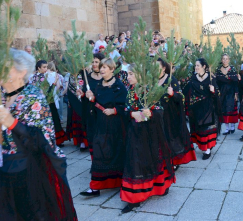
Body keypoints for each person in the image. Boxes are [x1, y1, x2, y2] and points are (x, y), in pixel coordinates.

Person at [0, 49, 77, 220]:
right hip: (1, 172)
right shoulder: (1, 97)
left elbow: (42, 141)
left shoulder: (33, 97)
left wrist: (13, 123)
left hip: (26, 173)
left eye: (6, 68)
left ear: (22, 72)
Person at [121, 65, 175, 214]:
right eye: (128, 74)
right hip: (135, 133)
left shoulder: (151, 91)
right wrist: (133, 114)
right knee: (135, 162)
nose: (128, 77)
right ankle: (135, 197)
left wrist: (149, 114)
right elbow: (125, 110)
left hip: (151, 133)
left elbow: (160, 110)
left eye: (131, 74)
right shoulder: (130, 91)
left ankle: (160, 186)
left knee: (154, 159)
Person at [78, 58, 127, 197]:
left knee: (116, 153)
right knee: (99, 152)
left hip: (115, 126)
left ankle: (119, 182)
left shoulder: (119, 86)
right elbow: (95, 104)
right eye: (101, 67)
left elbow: (126, 106)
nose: (102, 69)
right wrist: (91, 98)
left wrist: (115, 110)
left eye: (105, 67)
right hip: (100, 124)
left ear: (112, 69)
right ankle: (95, 187)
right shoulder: (98, 85)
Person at [157, 58, 197, 168]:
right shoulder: (152, 80)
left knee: (170, 137)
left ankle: (173, 160)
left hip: (170, 114)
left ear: (164, 68)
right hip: (157, 114)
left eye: (157, 66)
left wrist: (172, 94)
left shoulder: (171, 79)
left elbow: (181, 96)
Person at [183, 58, 221, 160]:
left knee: (206, 127)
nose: (196, 67)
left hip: (208, 106)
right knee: (198, 128)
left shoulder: (211, 78)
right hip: (195, 108)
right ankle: (204, 147)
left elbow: (218, 92)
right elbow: (185, 90)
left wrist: (213, 91)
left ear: (204, 66)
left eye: (198, 66)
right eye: (195, 66)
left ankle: (207, 150)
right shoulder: (192, 78)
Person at [31, 60, 68, 147]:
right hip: (46, 102)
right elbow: (46, 91)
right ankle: (54, 140)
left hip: (47, 101)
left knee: (54, 120)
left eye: (46, 67)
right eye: (44, 67)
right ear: (38, 68)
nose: (45, 69)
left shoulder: (38, 76)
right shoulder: (39, 77)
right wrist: (54, 83)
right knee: (52, 121)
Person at [76, 53, 105, 154]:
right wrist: (82, 94)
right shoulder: (87, 78)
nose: (94, 64)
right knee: (92, 138)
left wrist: (94, 97)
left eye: (96, 62)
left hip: (103, 113)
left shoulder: (106, 78)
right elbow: (85, 96)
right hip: (90, 113)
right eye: (92, 62)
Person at [216, 54, 239, 135]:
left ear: (229, 60)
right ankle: (227, 128)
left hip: (231, 91)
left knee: (231, 108)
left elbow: (235, 81)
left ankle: (232, 127)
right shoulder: (218, 69)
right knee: (224, 109)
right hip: (222, 92)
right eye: (223, 59)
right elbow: (217, 81)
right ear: (221, 60)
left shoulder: (232, 69)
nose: (225, 60)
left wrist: (236, 93)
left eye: (226, 59)